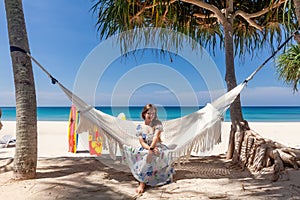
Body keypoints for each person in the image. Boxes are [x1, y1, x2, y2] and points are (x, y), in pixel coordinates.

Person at [123, 104, 174, 194]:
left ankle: (142, 184)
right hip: (146, 147)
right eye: (148, 113)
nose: (151, 115)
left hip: (157, 147)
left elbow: (155, 138)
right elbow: (142, 142)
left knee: (151, 155)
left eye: (153, 113)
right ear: (144, 114)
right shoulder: (140, 127)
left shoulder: (158, 124)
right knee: (146, 155)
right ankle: (143, 180)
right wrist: (149, 149)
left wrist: (152, 149)